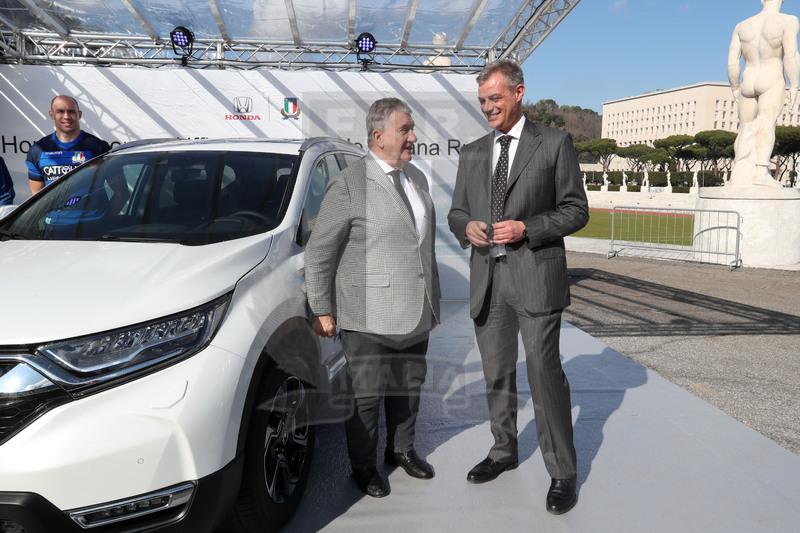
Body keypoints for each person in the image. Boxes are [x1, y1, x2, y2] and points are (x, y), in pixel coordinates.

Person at [448, 59, 588, 515]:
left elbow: (576, 210)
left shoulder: (554, 143)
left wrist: (528, 227)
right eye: (482, 100)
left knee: (544, 375)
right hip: (487, 279)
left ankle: (562, 472)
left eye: (495, 98)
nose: (488, 107)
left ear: (519, 92)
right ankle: (503, 450)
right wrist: (466, 226)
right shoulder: (472, 151)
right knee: (496, 373)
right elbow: (456, 212)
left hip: (536, 277)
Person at [304, 97, 441, 498]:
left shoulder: (417, 177)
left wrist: (432, 300)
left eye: (412, 129)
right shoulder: (349, 183)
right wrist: (321, 308)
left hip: (415, 309)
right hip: (366, 314)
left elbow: (422, 246)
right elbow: (320, 251)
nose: (413, 137)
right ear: (378, 137)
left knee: (408, 387)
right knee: (365, 397)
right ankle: (364, 466)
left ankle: (401, 450)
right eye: (405, 130)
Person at [728, 0, 800, 187]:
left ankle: (738, 173)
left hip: (747, 81)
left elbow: (732, 63)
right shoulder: (788, 21)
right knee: (767, 123)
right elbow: (791, 55)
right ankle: (760, 173)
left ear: (762, 0)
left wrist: (735, 88)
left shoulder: (742, 26)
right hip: (771, 78)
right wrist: (794, 85)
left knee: (745, 128)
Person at [26, 95, 114, 194]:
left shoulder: (99, 147)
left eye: (71, 111)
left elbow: (121, 191)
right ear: (51, 115)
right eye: (60, 111)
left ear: (79, 114)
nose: (66, 117)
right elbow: (37, 198)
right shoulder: (38, 151)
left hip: (93, 205)